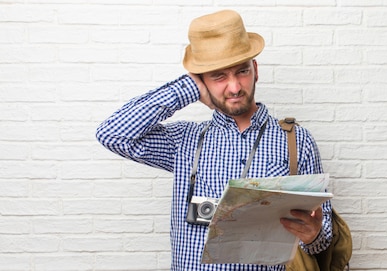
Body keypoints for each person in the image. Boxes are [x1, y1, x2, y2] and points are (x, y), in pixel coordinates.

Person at [95, 10, 332, 271]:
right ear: (202, 82)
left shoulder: (296, 141)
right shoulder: (183, 140)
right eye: (218, 76)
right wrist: (186, 89)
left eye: (241, 71)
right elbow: (112, 133)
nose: (234, 87)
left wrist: (314, 236)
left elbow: (323, 238)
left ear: (255, 69)